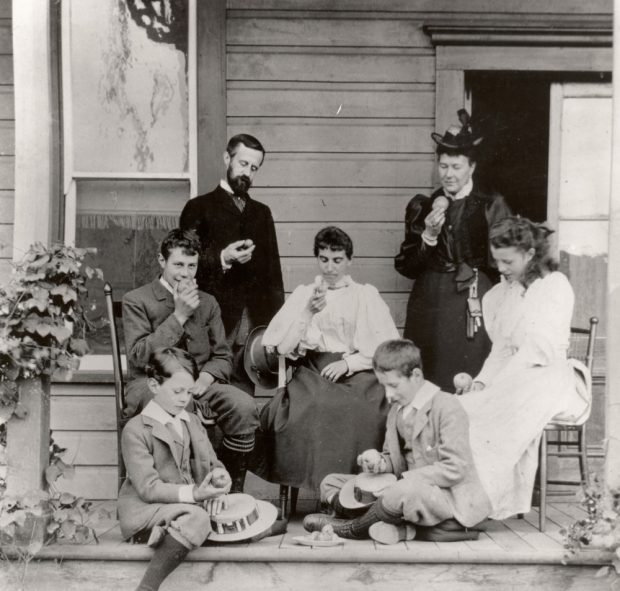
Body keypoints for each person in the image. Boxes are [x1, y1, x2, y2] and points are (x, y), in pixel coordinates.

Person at [458, 217, 591, 519]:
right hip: (518, 375)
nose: (501, 268)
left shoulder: (553, 287)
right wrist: (482, 382)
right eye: (497, 261)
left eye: (507, 261)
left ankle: (478, 503)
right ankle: (464, 496)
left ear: (529, 255)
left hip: (551, 377)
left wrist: (499, 386)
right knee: (468, 405)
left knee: (495, 409)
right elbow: (502, 350)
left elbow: (537, 351)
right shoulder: (504, 294)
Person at [118, 348, 282, 591]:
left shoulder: (191, 421)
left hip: (189, 504)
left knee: (251, 506)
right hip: (147, 509)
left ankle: (182, 533)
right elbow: (149, 489)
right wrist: (196, 495)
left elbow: (213, 464)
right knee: (199, 518)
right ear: (153, 385)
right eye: (177, 391)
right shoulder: (136, 430)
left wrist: (219, 480)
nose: (185, 399)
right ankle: (147, 587)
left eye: (189, 391)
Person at [303, 339, 491, 544]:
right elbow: (397, 460)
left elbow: (455, 468)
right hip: (403, 492)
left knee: (400, 492)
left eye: (393, 385)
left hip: (448, 496)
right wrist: (379, 463)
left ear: (416, 376)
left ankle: (353, 528)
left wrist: (405, 480)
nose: (388, 395)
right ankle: (387, 522)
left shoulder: (446, 406)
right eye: (383, 386)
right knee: (331, 482)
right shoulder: (397, 411)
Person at [256, 226, 400, 491]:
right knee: (316, 404)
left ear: (349, 260)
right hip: (314, 369)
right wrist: (308, 312)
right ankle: (325, 488)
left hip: (359, 370)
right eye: (324, 259)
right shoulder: (304, 294)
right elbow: (282, 347)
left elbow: (384, 346)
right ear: (317, 258)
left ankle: (359, 487)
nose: (330, 267)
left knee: (362, 406)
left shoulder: (364, 295)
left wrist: (349, 363)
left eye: (337, 260)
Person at [122, 229, 259, 492]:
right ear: (162, 262)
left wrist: (206, 378)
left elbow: (222, 356)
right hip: (152, 385)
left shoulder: (208, 303)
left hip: (199, 384)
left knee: (243, 406)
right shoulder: (137, 300)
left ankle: (227, 489)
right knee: (180, 406)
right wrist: (179, 316)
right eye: (178, 265)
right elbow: (139, 355)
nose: (186, 273)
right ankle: (184, 491)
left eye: (192, 266)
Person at [394, 111, 511, 391]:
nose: (448, 174)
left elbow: (504, 262)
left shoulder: (490, 204)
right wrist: (428, 238)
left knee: (468, 370)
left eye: (456, 167)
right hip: (429, 301)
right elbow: (406, 267)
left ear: (472, 167)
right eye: (443, 166)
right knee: (428, 373)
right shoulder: (424, 206)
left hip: (472, 299)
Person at [179, 133, 284, 393]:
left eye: (254, 168)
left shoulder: (262, 213)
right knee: (205, 395)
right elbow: (183, 266)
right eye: (242, 163)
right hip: (211, 323)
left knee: (243, 398)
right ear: (227, 158)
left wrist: (275, 328)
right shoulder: (198, 208)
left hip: (252, 327)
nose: (246, 173)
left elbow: (274, 276)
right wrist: (222, 258)